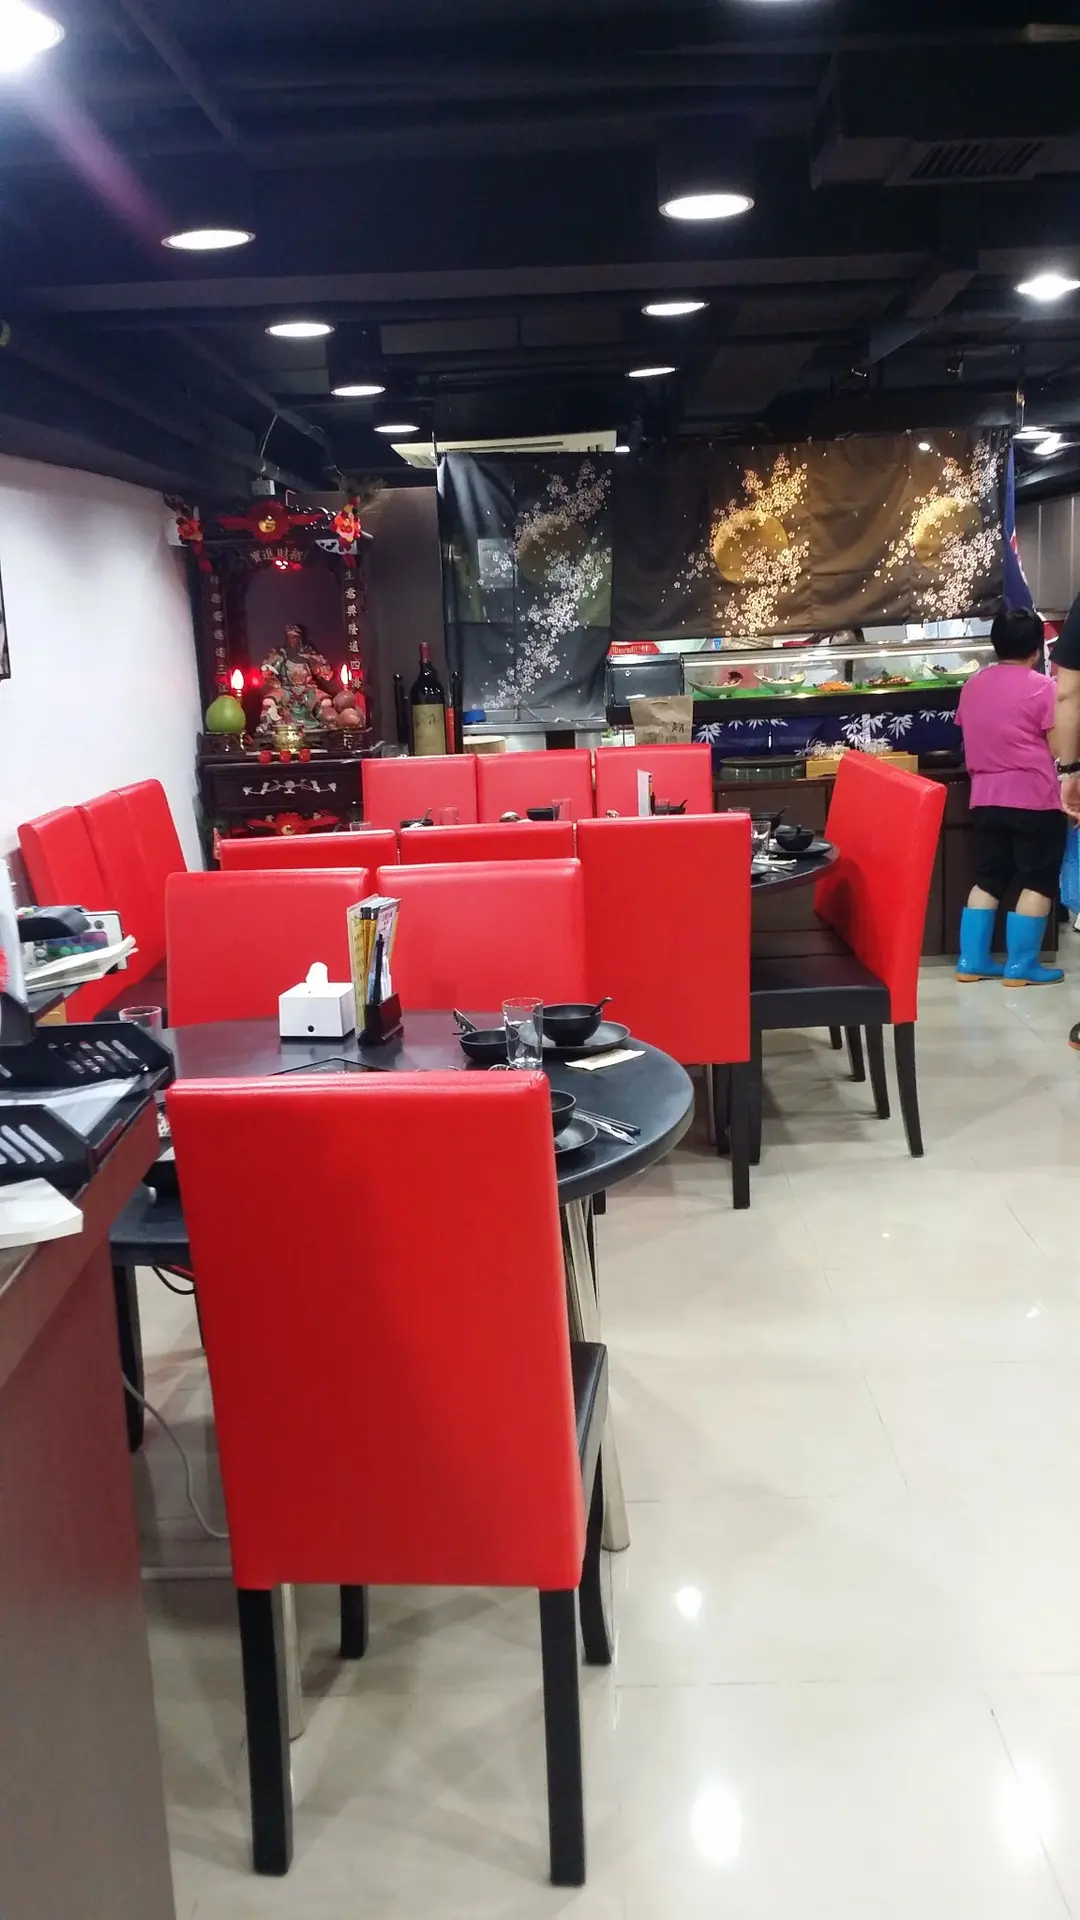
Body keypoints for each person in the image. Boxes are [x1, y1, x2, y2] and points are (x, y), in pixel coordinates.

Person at [955, 604, 1066, 986]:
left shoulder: (972, 686)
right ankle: (1021, 967)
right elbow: (1058, 747)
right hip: (1035, 798)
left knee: (989, 877)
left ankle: (971, 960)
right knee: (1038, 879)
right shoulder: (1044, 687)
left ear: (995, 645)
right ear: (1036, 650)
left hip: (985, 799)